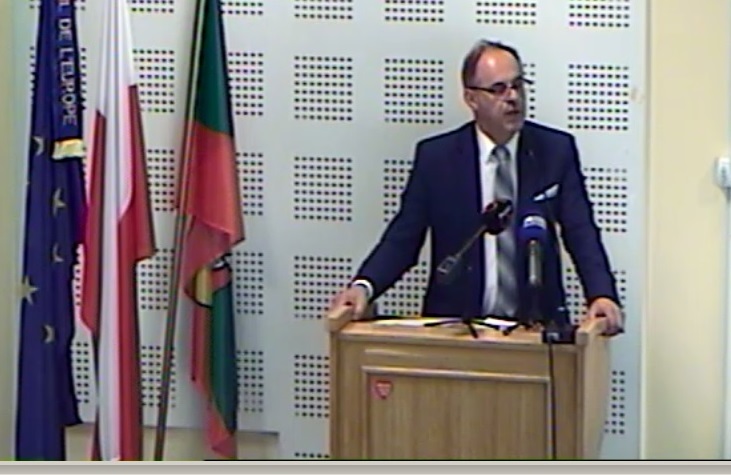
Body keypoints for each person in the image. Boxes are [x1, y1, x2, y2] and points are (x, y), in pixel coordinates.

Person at [329, 39, 624, 336]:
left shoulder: (554, 151)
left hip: (536, 330)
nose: (513, 97)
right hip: (457, 329)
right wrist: (364, 286)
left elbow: (580, 230)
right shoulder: (437, 158)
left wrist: (601, 294)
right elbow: (403, 238)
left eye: (518, 85)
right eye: (498, 89)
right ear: (471, 98)